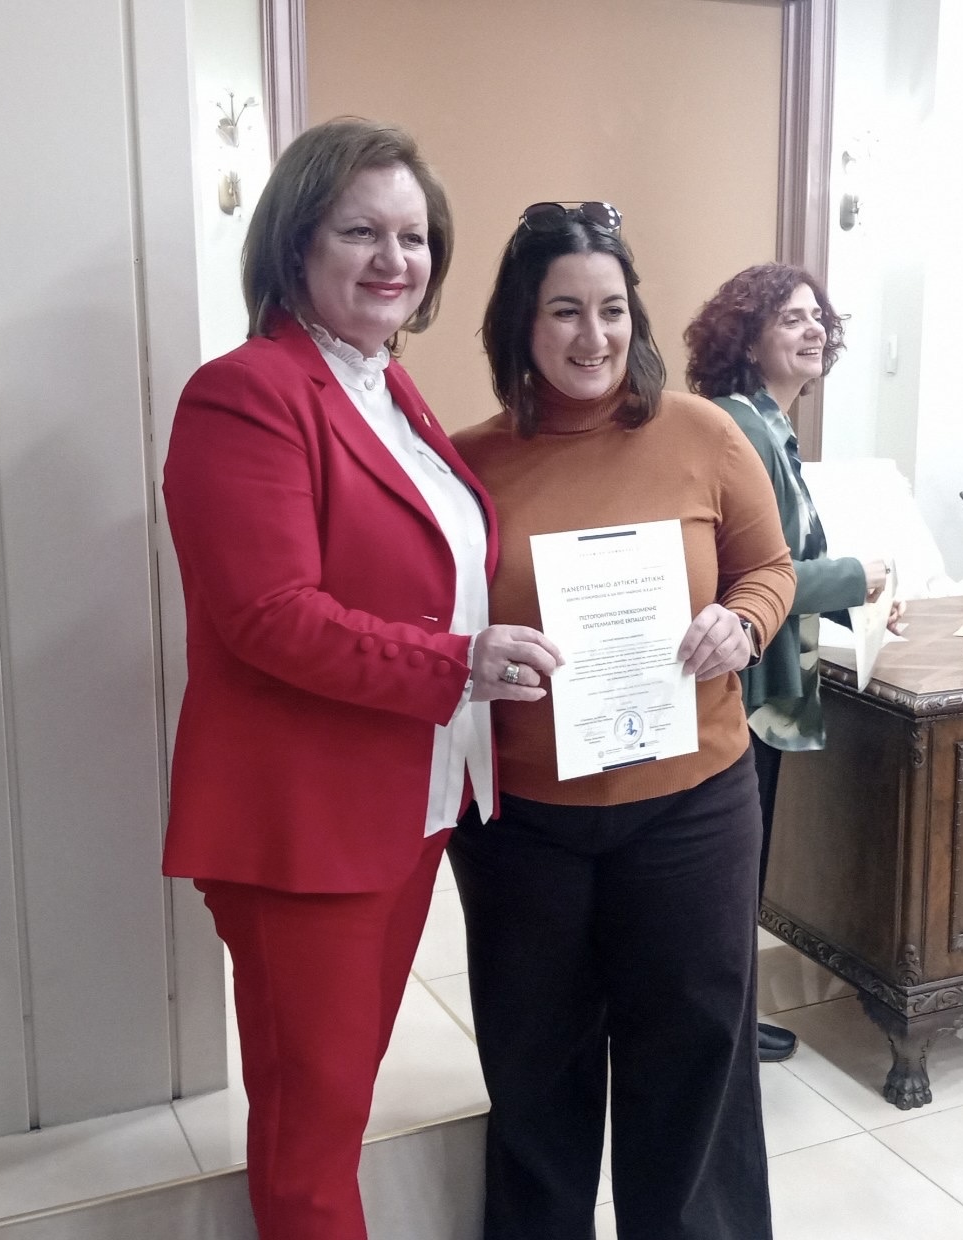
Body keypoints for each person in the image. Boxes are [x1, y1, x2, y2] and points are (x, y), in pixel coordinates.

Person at [161, 118, 560, 1240]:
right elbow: (268, 616)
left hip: (407, 804)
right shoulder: (246, 391)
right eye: (361, 233)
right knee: (312, 1133)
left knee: (334, 1101)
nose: (395, 260)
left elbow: (426, 575)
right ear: (296, 243)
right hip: (305, 828)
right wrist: (459, 662)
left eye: (414, 236)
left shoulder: (388, 389)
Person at [448, 203, 796, 1240]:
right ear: (521, 321)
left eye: (611, 309)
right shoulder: (464, 465)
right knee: (534, 1073)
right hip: (524, 824)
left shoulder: (702, 433)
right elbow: (432, 619)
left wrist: (742, 622)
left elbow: (768, 568)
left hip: (691, 809)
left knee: (692, 1062)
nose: (592, 335)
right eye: (564, 310)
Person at [684, 263, 896, 1064]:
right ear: (747, 339)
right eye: (791, 319)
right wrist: (854, 576)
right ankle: (722, 1032)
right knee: (727, 876)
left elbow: (784, 560)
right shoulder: (740, 428)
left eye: (818, 319)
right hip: (743, 688)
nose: (814, 331)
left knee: (740, 870)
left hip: (763, 680)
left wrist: (859, 597)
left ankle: (731, 1022)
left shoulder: (768, 425)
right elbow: (749, 575)